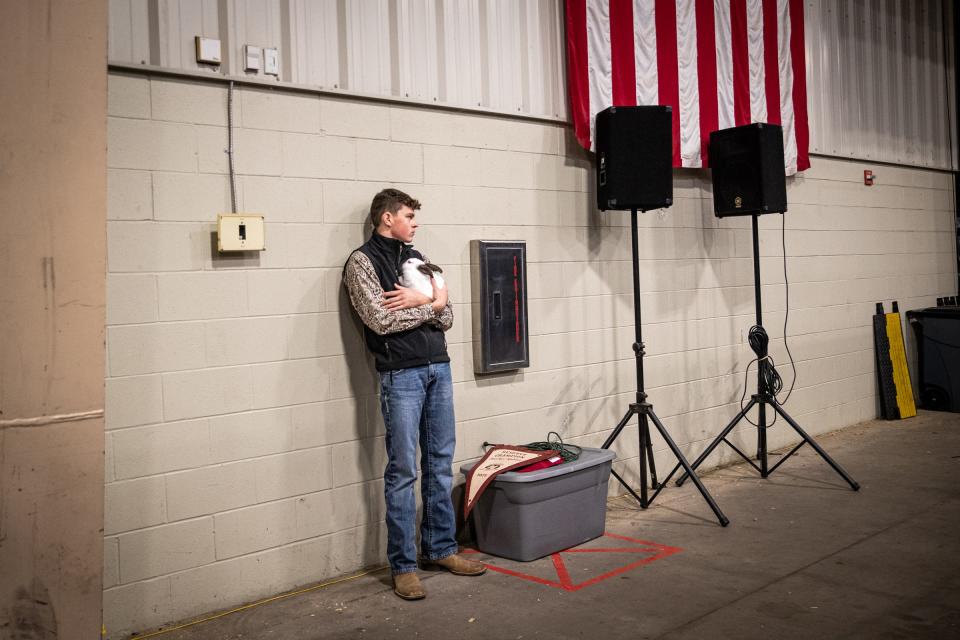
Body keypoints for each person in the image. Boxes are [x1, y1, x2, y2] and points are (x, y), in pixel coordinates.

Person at [342, 188, 486, 600]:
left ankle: (441, 549)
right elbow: (380, 319)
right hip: (400, 375)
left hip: (438, 368)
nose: (415, 223)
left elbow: (450, 315)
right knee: (403, 471)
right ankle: (403, 566)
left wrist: (421, 299)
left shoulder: (419, 259)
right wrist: (432, 303)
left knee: (440, 463)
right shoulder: (362, 262)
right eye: (409, 216)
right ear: (387, 218)